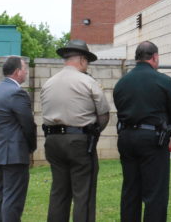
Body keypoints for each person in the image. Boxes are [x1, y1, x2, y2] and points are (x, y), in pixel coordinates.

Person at [113, 41, 171, 222]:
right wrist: (167, 133)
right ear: (155, 57)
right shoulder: (164, 81)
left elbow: (120, 108)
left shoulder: (122, 83)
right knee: (155, 193)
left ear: (137, 58)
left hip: (126, 138)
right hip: (153, 140)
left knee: (130, 190)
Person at [40, 39, 110, 221]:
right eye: (87, 61)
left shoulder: (49, 83)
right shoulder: (87, 81)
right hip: (79, 142)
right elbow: (103, 114)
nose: (87, 65)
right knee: (83, 194)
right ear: (81, 60)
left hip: (53, 141)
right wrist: (94, 132)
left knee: (59, 192)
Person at [0, 56, 37, 222]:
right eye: (25, 69)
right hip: (13, 155)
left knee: (0, 196)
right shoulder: (17, 93)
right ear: (17, 72)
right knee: (13, 200)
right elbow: (28, 125)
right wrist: (31, 147)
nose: (27, 73)